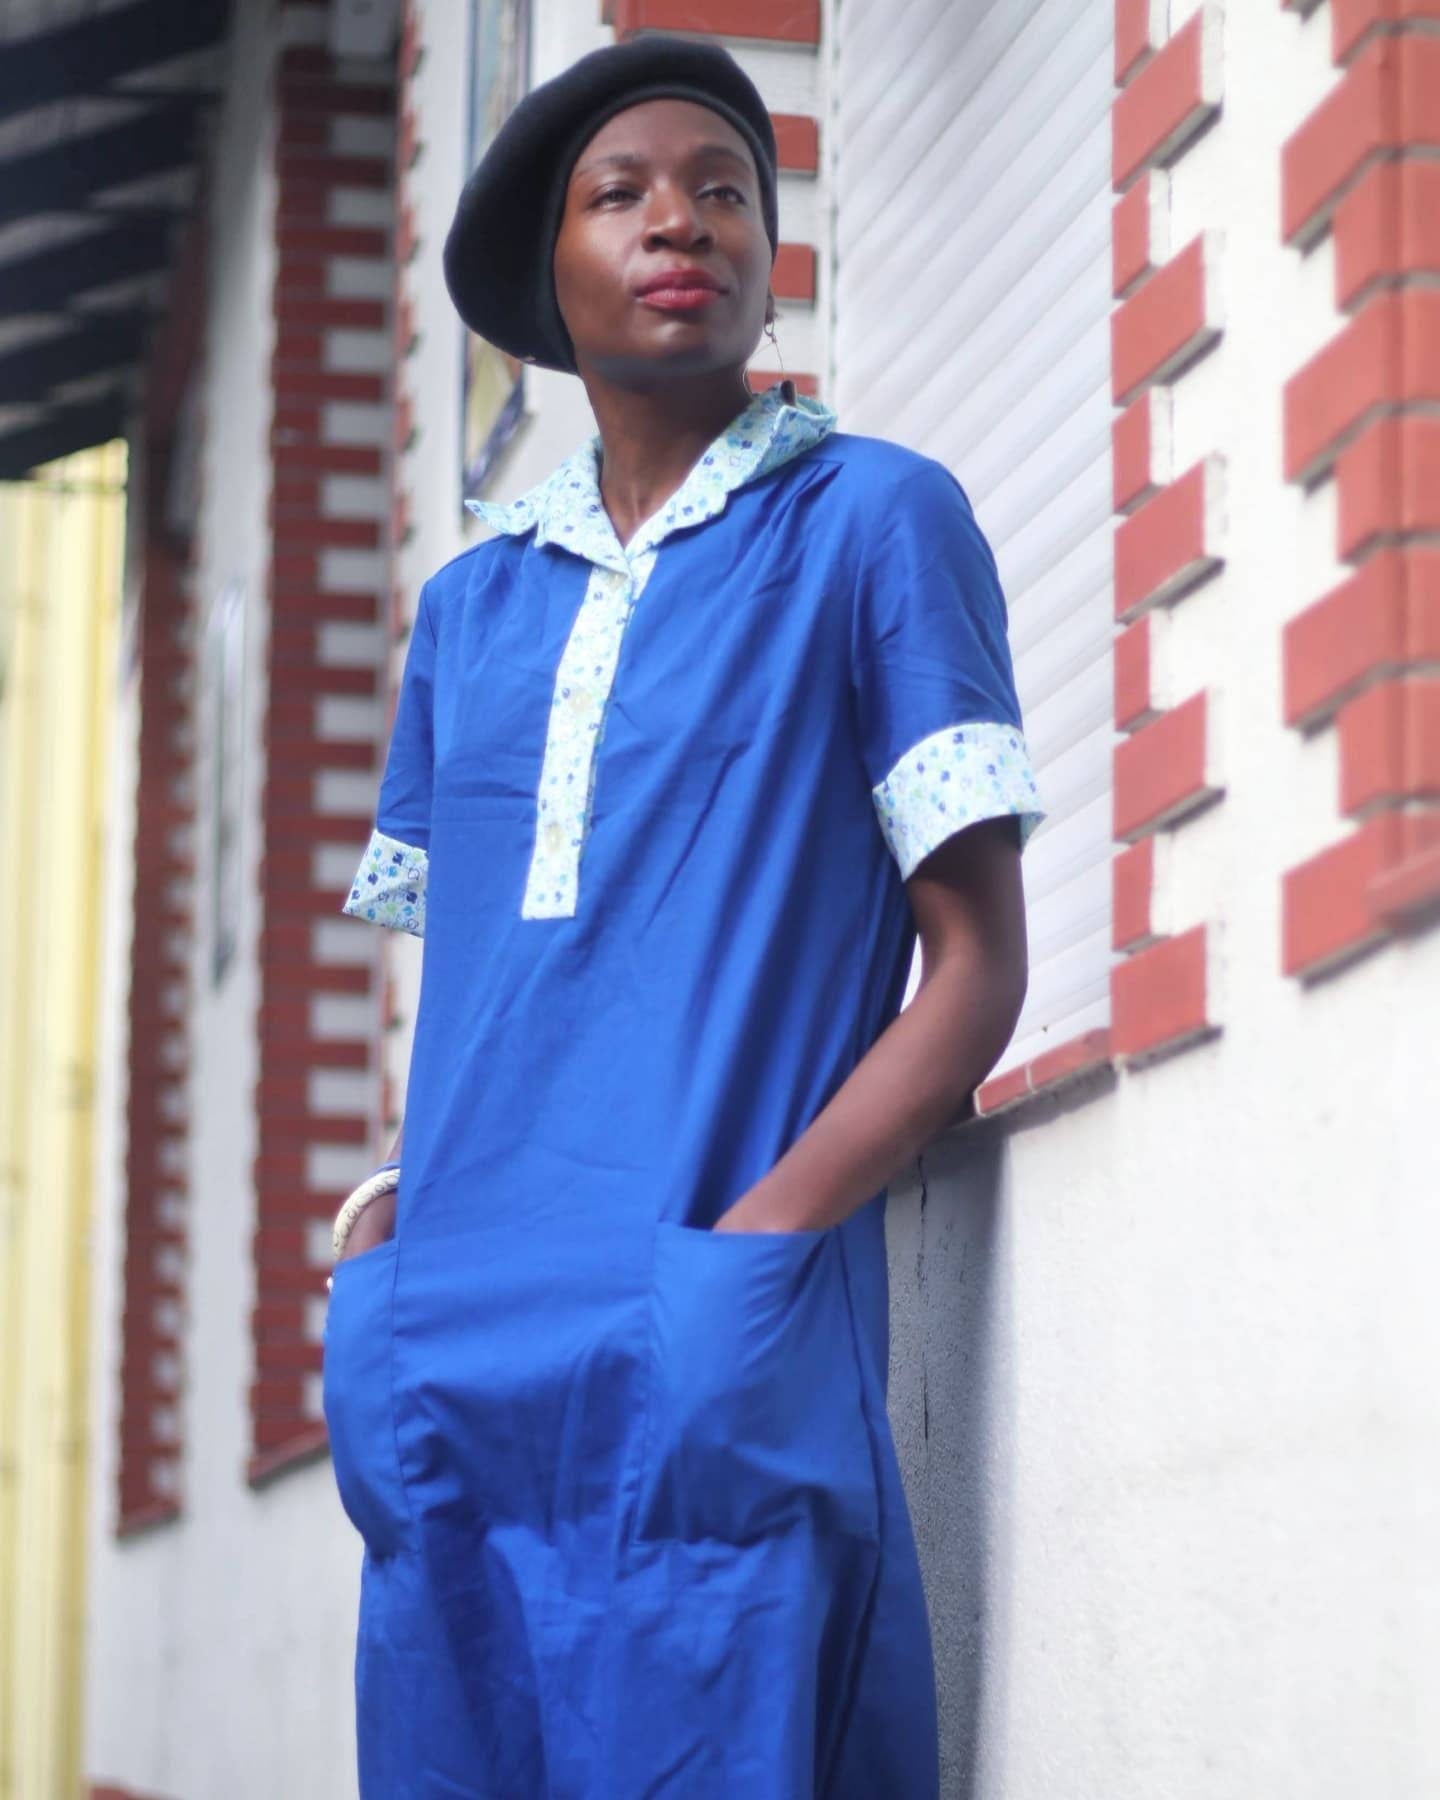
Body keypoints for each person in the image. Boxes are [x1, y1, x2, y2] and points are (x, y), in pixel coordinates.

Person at [324, 34, 1043, 1799]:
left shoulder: (875, 519)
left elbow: (977, 966)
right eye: (624, 194)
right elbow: (483, 980)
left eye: (728, 188)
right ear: (545, 284)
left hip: (703, 1330)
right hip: (455, 1356)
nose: (685, 222)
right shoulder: (468, 611)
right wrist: (381, 1251)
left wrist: (762, 1243)